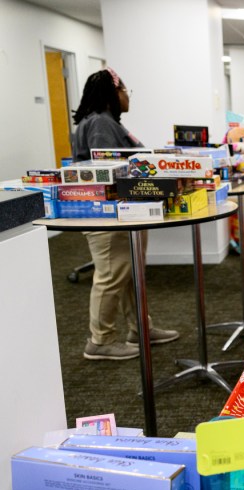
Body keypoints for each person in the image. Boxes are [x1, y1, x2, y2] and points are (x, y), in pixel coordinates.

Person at [72, 68, 179, 360]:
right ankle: (100, 341)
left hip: (124, 213)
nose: (126, 97)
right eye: (124, 92)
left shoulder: (104, 123)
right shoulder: (100, 124)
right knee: (110, 275)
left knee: (129, 273)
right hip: (108, 216)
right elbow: (110, 170)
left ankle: (140, 328)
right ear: (113, 94)